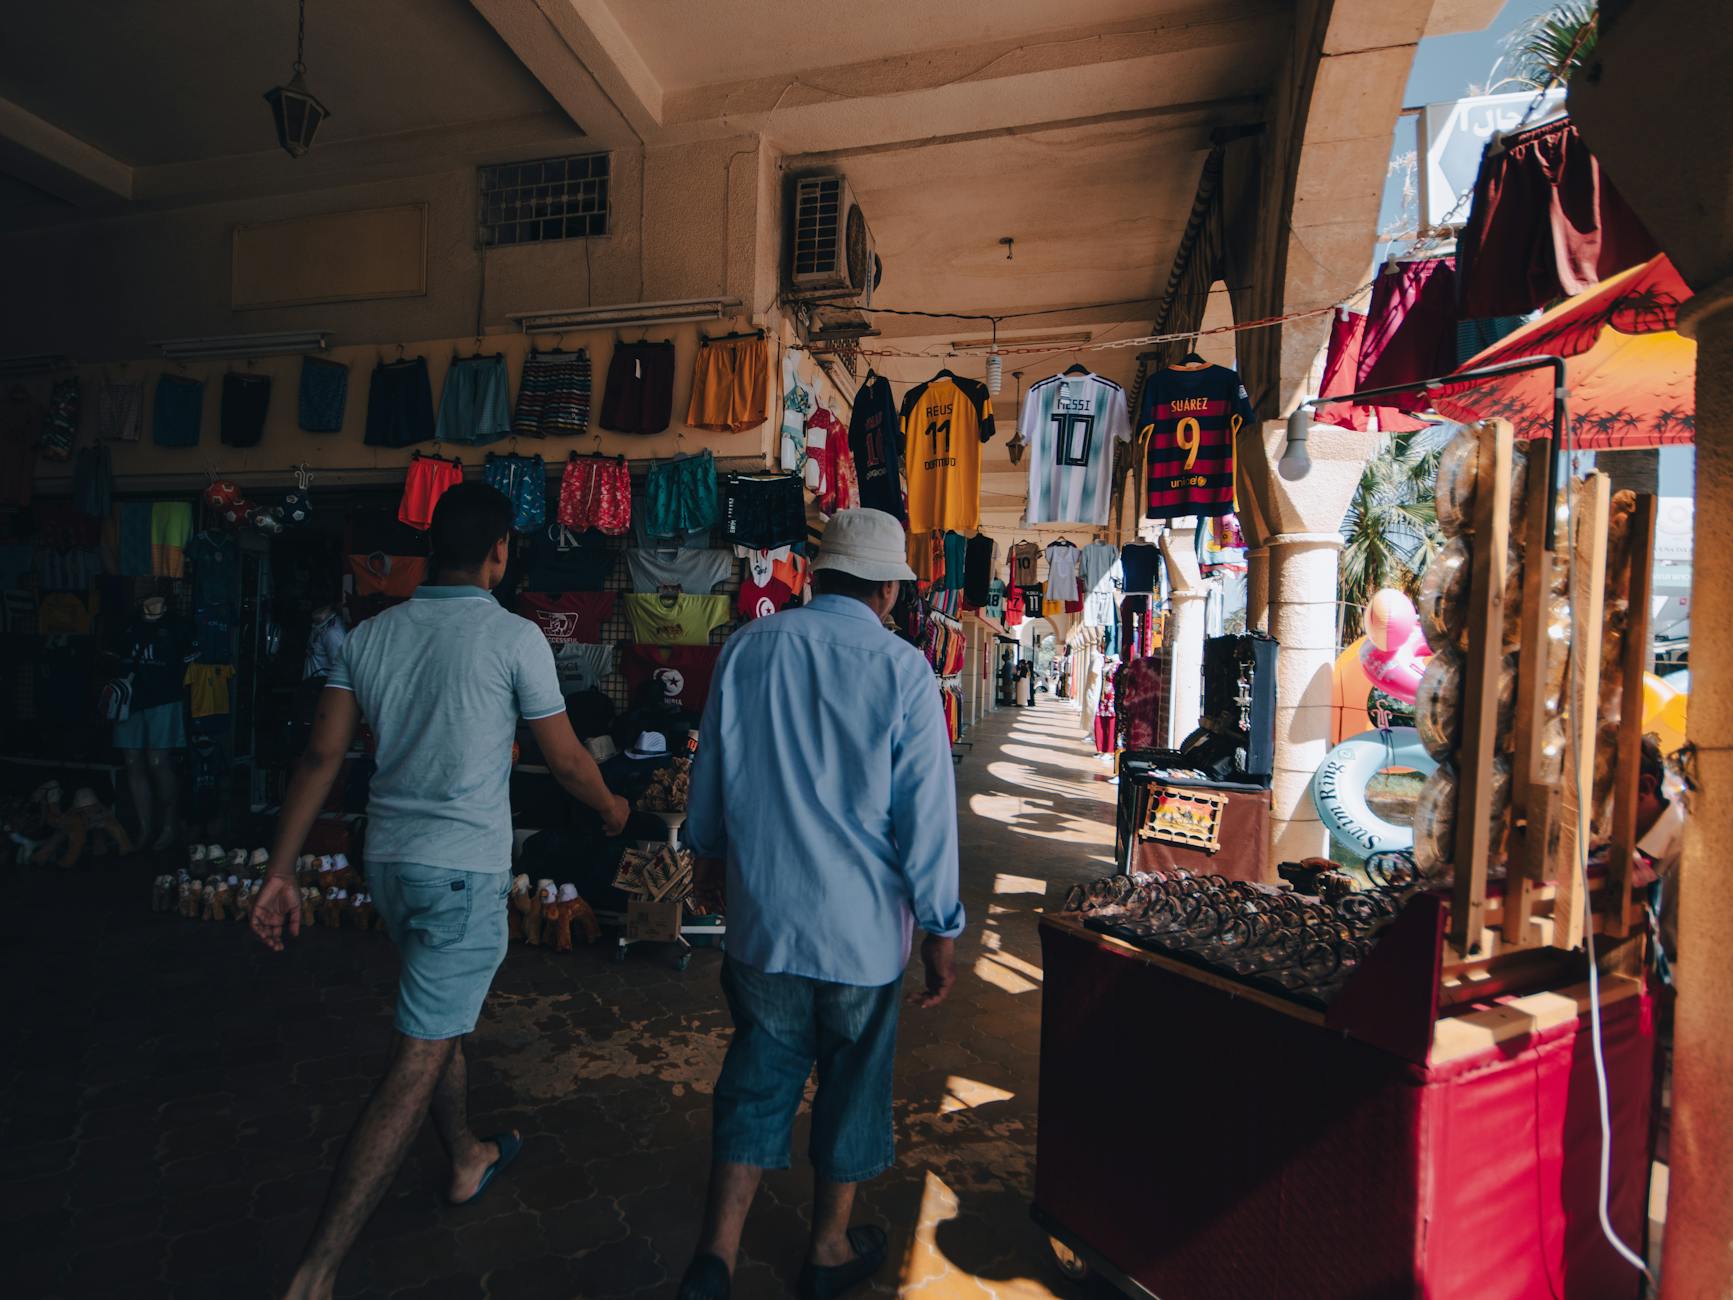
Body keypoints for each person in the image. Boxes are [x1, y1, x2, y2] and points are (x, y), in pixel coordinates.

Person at [249, 482, 630, 1300]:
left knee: (437, 1013)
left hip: (389, 864)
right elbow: (565, 760)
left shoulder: (370, 635)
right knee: (417, 1052)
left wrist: (279, 871)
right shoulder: (514, 637)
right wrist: (610, 807)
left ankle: (463, 1158)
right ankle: (315, 1272)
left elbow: (321, 759)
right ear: (499, 553)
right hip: (460, 874)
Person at [678, 507, 966, 1300]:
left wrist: (705, 857)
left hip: (763, 920)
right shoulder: (904, 671)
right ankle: (828, 1248)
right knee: (853, 1082)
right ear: (885, 588)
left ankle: (716, 1254)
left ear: (815, 573)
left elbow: (710, 769)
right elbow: (927, 818)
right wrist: (941, 926)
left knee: (756, 1072)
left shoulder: (746, 650)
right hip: (861, 937)